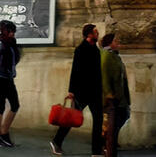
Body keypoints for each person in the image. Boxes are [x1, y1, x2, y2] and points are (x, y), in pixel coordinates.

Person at [51, 23, 102, 157]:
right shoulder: (81, 49)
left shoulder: (96, 50)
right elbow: (75, 70)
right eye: (96, 32)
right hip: (82, 91)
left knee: (98, 120)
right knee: (71, 119)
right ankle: (57, 141)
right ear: (89, 34)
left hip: (95, 91)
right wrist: (71, 90)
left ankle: (96, 151)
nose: (98, 34)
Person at [0, 19, 21, 147]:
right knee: (0, 107)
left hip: (8, 78)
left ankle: (4, 132)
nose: (12, 34)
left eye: (13, 31)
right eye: (10, 31)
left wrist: (11, 70)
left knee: (15, 105)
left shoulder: (12, 43)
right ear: (4, 31)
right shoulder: (0, 43)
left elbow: (15, 58)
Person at [100, 32, 130, 157]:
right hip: (111, 98)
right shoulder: (106, 56)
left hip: (119, 96)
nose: (118, 43)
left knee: (123, 116)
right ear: (110, 43)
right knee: (112, 128)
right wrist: (108, 93)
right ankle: (109, 150)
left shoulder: (115, 56)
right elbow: (104, 76)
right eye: (116, 41)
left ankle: (104, 143)